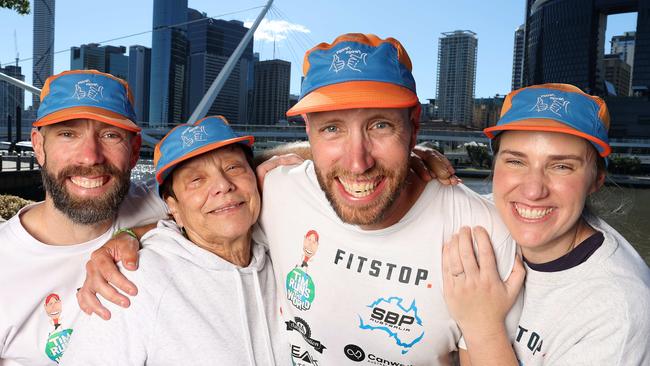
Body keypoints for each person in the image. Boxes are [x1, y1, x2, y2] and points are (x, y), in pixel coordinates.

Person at [80, 33, 521, 365]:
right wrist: (125, 239)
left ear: (414, 126)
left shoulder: (480, 231)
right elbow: (197, 219)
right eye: (332, 128)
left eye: (382, 126)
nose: (358, 160)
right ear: (308, 131)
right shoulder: (135, 284)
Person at [442, 83, 650, 365]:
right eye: (516, 161)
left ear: (596, 179)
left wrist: (482, 325)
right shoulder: (483, 216)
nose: (533, 191)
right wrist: (418, 161)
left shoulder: (618, 309)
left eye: (561, 166)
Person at [60, 116, 288, 365]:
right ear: (173, 208)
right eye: (196, 180)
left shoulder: (285, 254)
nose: (223, 185)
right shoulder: (134, 282)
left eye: (234, 168)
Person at [0, 70, 168, 365]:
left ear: (133, 152)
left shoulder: (164, 203)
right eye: (68, 133)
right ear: (39, 146)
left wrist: (135, 233)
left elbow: (236, 191)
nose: (90, 156)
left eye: (110, 135)